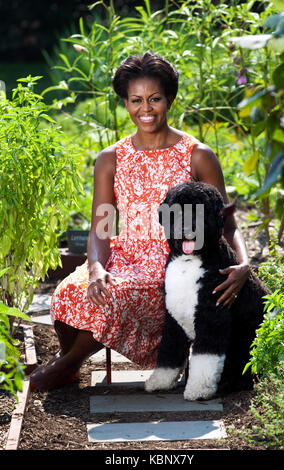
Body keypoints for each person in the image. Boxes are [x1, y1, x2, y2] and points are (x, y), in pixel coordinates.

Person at [29, 52, 250, 390]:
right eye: (136, 100)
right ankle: (69, 362)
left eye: (154, 99)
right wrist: (96, 268)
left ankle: (65, 365)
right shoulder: (111, 158)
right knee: (67, 292)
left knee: (114, 300)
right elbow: (102, 227)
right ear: (125, 102)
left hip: (177, 267)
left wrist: (244, 265)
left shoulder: (198, 155)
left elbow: (227, 224)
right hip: (122, 262)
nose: (145, 109)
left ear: (170, 99)